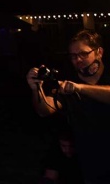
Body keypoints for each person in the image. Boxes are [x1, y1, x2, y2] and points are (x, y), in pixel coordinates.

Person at [26, 29, 110, 184]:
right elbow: (45, 110)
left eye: (83, 54)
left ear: (99, 52)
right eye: (73, 56)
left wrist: (80, 88)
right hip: (89, 157)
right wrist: (36, 88)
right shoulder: (68, 80)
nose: (78, 59)